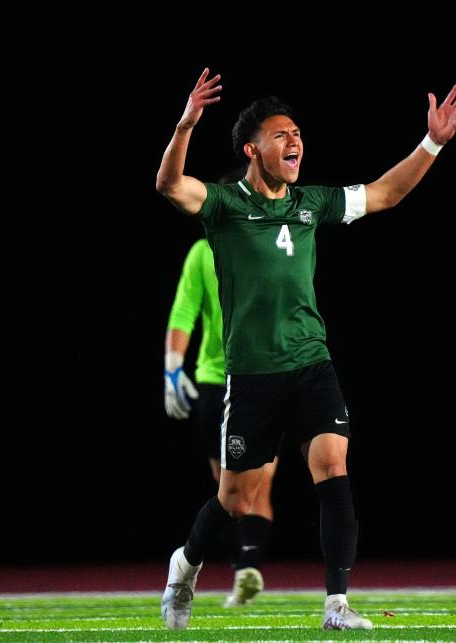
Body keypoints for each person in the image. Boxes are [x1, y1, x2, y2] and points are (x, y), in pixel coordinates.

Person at [155, 68, 456, 631]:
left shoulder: (312, 204)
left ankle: (336, 605)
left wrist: (432, 143)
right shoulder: (226, 205)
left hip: (312, 364)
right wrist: (185, 124)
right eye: (281, 135)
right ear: (253, 149)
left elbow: (385, 193)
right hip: (253, 374)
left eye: (298, 133)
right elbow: (170, 186)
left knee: (332, 463)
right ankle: (184, 566)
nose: (295, 141)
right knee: (234, 500)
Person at [164, 174, 278, 606]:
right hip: (230, 378)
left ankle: (243, 567)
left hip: (249, 377)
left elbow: (182, 315)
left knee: (233, 491)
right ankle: (246, 566)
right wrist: (173, 369)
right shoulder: (204, 252)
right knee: (246, 489)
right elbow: (184, 312)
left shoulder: (264, 243)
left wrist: (173, 369)